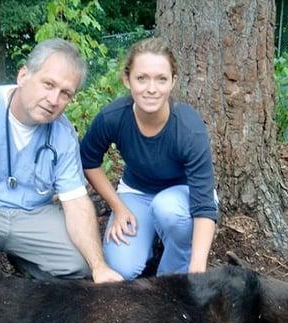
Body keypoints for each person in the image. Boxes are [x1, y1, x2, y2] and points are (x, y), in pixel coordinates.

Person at [0, 38, 123, 291]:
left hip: (31, 214)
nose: (54, 99)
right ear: (23, 75)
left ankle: (24, 260)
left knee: (79, 264)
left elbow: (77, 203)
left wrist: (98, 266)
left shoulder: (63, 134)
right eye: (48, 84)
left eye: (65, 93)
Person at [80, 37, 218, 280]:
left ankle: (170, 278)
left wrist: (197, 267)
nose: (151, 88)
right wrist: (118, 207)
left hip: (182, 197)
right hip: (137, 193)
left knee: (168, 211)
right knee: (122, 268)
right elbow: (89, 161)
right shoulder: (113, 117)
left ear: (173, 81)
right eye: (142, 78)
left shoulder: (188, 128)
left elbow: (204, 203)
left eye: (161, 79)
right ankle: (150, 239)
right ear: (127, 79)